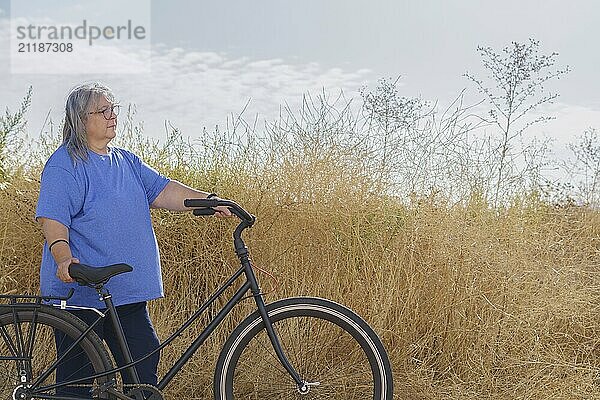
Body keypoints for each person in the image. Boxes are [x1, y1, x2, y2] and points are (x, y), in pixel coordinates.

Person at [35, 82, 231, 396]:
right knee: (77, 381)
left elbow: (165, 191)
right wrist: (63, 258)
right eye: (103, 110)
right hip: (82, 294)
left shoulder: (126, 161)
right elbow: (53, 218)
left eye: (113, 109)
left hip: (124, 294)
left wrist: (207, 200)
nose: (112, 115)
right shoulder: (65, 164)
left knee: (143, 359)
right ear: (81, 119)